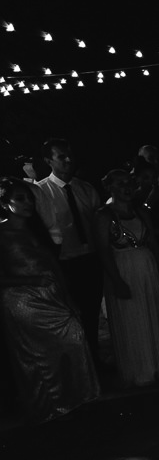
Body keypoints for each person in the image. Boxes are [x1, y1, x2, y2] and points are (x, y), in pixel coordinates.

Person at [0, 177, 99, 422]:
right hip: (22, 301)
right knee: (38, 356)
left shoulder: (36, 229)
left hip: (52, 296)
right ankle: (51, 407)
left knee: (75, 334)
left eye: (30, 198)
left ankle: (77, 399)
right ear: (4, 203)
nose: (27, 203)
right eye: (20, 199)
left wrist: (67, 297)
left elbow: (54, 266)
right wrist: (31, 282)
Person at [96, 170, 159, 387]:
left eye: (128, 183)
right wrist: (116, 281)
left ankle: (158, 365)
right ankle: (139, 368)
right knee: (132, 318)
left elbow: (153, 243)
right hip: (123, 269)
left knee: (152, 313)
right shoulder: (104, 215)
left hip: (147, 268)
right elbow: (103, 251)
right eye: (120, 183)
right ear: (110, 187)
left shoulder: (141, 211)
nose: (126, 187)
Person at [32, 138, 104, 358]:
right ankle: (78, 362)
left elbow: (97, 224)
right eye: (61, 156)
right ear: (48, 161)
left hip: (89, 258)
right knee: (70, 316)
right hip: (64, 262)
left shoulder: (85, 188)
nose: (68, 160)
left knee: (92, 313)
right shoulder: (41, 191)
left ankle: (94, 359)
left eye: (69, 155)